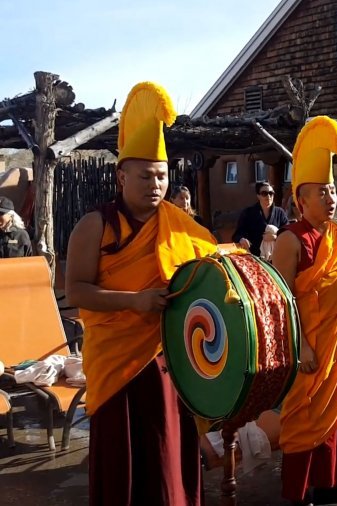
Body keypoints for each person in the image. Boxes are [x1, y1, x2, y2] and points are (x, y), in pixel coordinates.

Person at [65, 82, 216, 505]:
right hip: (116, 362)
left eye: (162, 176)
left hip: (168, 357)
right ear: (121, 176)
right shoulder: (95, 226)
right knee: (124, 461)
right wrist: (134, 301)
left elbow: (212, 266)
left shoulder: (181, 224)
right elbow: (76, 290)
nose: (155, 184)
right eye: (145, 175)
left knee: (167, 452)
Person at [271, 116, 337, 505]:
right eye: (320, 192)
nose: (330, 198)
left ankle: (333, 482)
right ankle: (298, 492)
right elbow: (282, 301)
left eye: (331, 190)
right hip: (310, 347)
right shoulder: (290, 240)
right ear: (301, 200)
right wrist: (301, 349)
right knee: (304, 418)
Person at [233, 181, 289, 255]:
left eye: (271, 193)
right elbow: (237, 234)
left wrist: (275, 237)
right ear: (258, 196)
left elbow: (288, 233)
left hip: (276, 256)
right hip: (254, 255)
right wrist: (241, 239)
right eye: (264, 193)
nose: (268, 196)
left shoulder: (280, 213)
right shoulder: (248, 213)